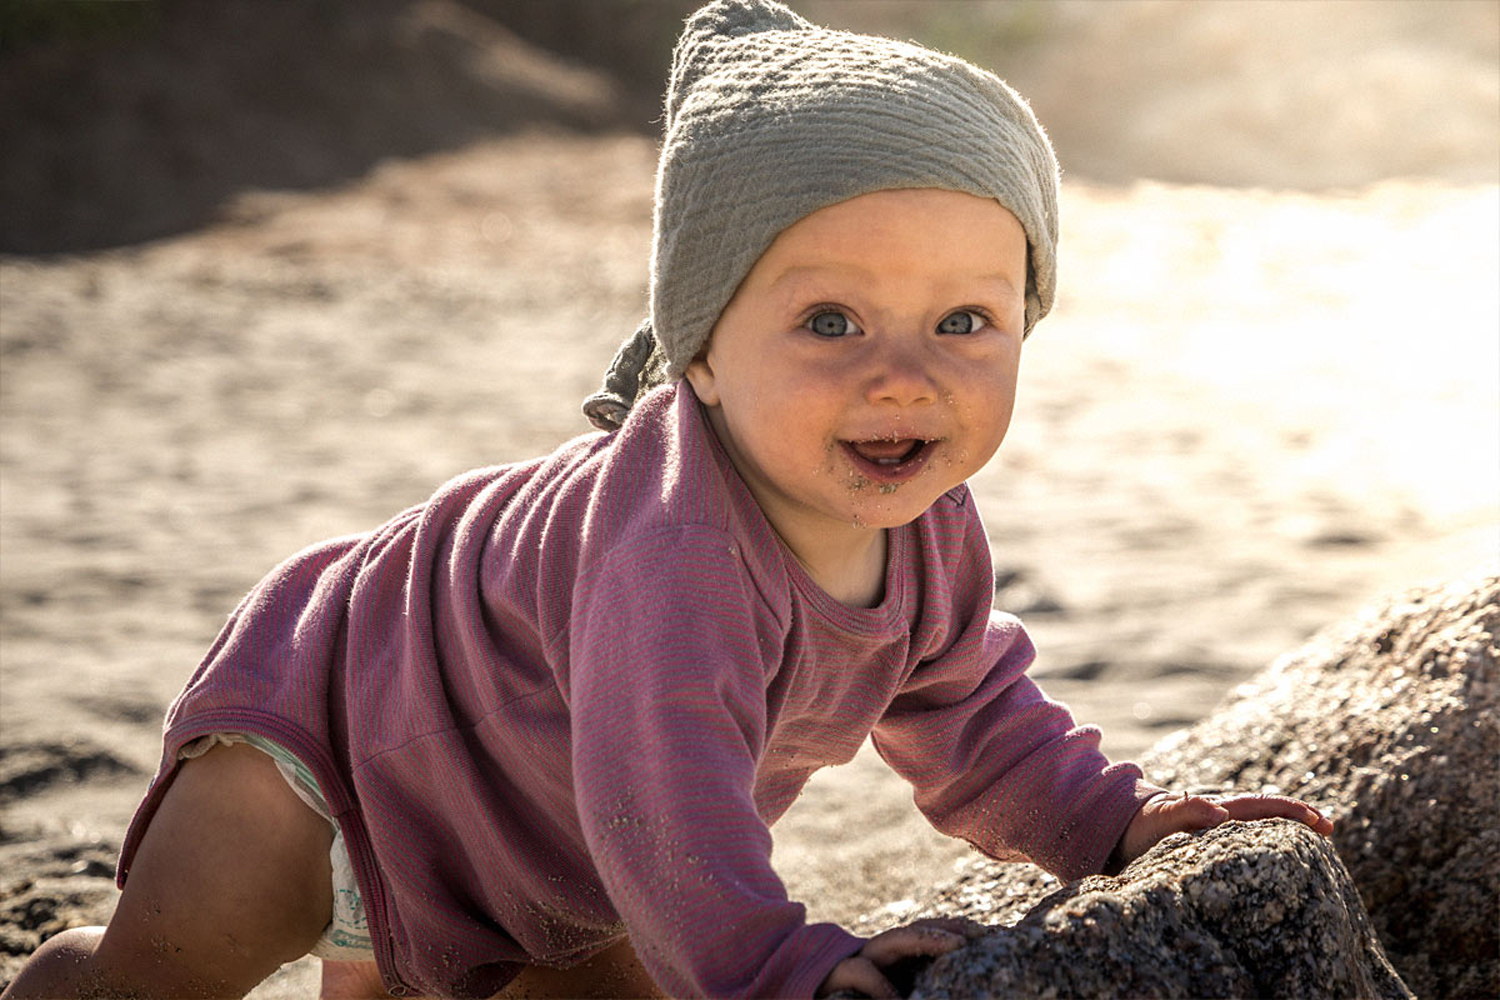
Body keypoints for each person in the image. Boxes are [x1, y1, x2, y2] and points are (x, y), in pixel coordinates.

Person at [1, 2, 1335, 998]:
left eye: (967, 320)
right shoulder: (675, 547)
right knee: (159, 984)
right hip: (337, 739)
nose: (904, 377)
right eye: (829, 319)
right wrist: (782, 970)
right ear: (695, 349)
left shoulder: (926, 532)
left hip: (556, 848)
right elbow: (669, 798)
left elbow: (975, 717)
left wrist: (1113, 830)